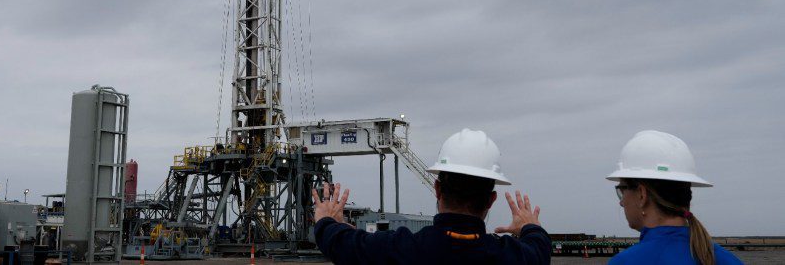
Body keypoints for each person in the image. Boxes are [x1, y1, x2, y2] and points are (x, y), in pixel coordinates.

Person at [313, 128, 551, 264]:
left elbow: (340, 244)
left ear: (437, 189)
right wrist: (529, 227)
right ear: (491, 200)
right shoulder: (516, 257)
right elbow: (539, 247)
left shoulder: (399, 249)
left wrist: (327, 220)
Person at [607, 130, 742, 265]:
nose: (621, 202)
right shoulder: (727, 259)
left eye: (622, 190)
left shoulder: (626, 261)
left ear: (642, 194)